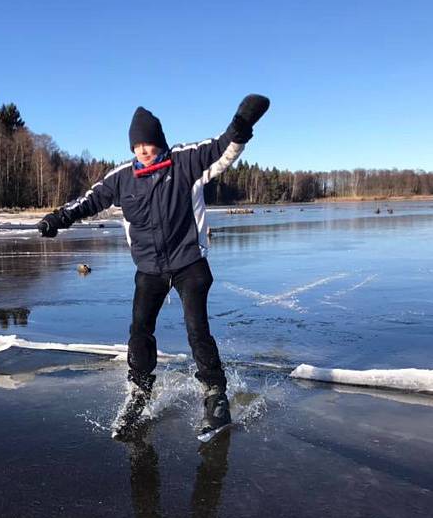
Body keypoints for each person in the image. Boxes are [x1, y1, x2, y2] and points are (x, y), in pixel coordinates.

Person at [37, 94, 270, 439]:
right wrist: (59, 218)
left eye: (148, 142)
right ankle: (139, 392)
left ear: (159, 141)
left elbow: (223, 151)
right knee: (139, 332)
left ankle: (215, 396)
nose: (143, 150)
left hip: (189, 262)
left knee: (196, 330)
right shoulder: (122, 178)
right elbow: (90, 201)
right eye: (137, 144)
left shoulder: (184, 162)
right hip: (149, 268)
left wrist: (242, 124)